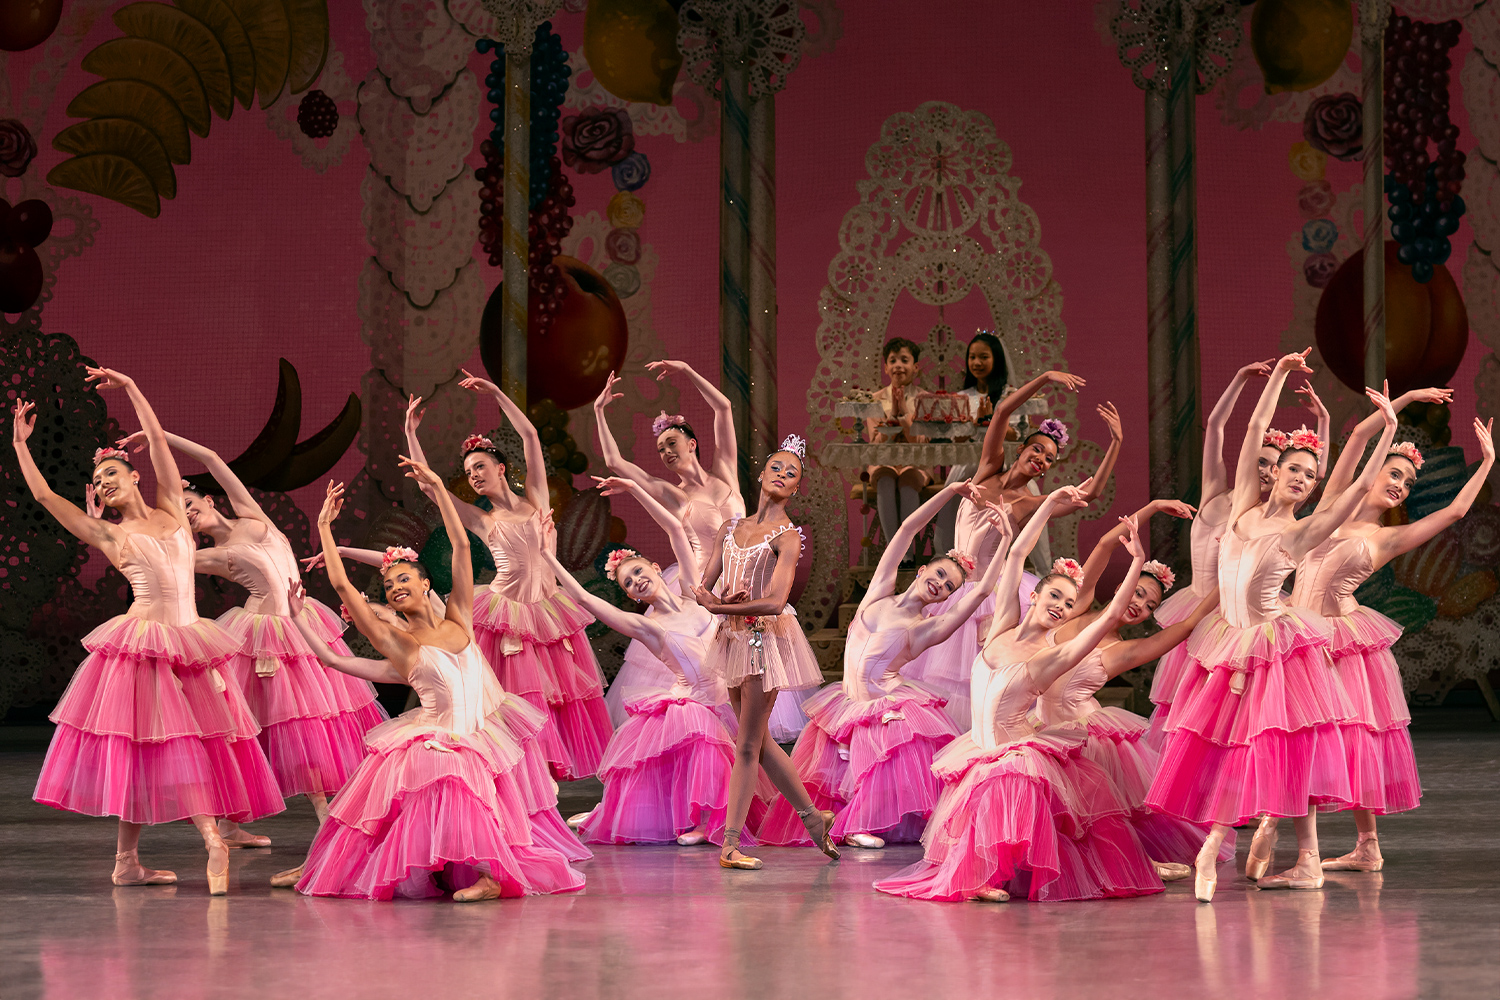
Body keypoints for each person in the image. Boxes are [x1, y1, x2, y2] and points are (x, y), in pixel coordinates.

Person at [13, 373, 282, 894]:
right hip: (146, 646)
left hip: (191, 641)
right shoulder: (111, 533)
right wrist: (23, 447)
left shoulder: (174, 512)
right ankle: (210, 839)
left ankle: (127, 862)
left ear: (136, 477)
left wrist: (133, 387)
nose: (106, 482)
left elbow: (158, 443)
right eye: (100, 479)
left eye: (114, 472)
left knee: (188, 745)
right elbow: (46, 497)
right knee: (152, 747)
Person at [1145, 351, 1398, 902]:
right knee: (1220, 748)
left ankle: (1264, 848)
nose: (1302, 480)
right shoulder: (1240, 508)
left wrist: (1388, 432)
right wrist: (1279, 375)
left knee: (1279, 749)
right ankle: (1227, 842)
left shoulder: (1299, 534)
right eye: (1294, 470)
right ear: (1275, 470)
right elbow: (1253, 428)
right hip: (1230, 643)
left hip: (1275, 650)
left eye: (1310, 476)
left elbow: (1353, 491)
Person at [292, 471, 587, 901]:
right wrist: (324, 528)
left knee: (480, 798)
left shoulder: (459, 617)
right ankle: (473, 874)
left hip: (480, 735)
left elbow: (464, 546)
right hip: (436, 737)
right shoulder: (400, 644)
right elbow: (342, 588)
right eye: (389, 586)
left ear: (426, 583)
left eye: (403, 580)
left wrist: (439, 490)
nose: (394, 588)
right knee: (451, 778)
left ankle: (477, 873)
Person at [873, 493, 1162, 902]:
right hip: (980, 745)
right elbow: (1016, 555)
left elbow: (1112, 615)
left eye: (1067, 602)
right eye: (1054, 596)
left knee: (1005, 780)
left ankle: (994, 874)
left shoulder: (1049, 658)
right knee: (983, 784)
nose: (1061, 606)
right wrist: (1044, 507)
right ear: (1036, 596)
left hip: (1014, 751)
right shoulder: (1002, 625)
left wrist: (1134, 563)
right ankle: (985, 870)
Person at [117, 427, 386, 864]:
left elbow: (210, 456)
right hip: (262, 636)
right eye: (181, 512)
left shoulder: (250, 515)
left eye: (192, 504)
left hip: (300, 623)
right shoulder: (204, 555)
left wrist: (157, 435)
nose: (189, 513)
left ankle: (246, 823)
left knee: (313, 721)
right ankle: (267, 823)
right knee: (263, 727)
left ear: (207, 501)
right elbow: (161, 569)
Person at [1252, 394, 1483, 875]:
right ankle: (1293, 826)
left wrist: (1490, 462)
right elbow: (1358, 438)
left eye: (1408, 481)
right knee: (1295, 731)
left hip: (1340, 639)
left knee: (1346, 737)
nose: (1400, 484)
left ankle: (1361, 844)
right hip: (1296, 629)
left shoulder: (1387, 538)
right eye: (1394, 474)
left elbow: (1457, 512)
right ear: (1374, 472)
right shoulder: (1334, 502)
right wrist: (1401, 406)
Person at [756, 481, 1010, 849]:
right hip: (847, 701)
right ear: (922, 570)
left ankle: (865, 824)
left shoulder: (926, 630)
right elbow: (907, 529)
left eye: (949, 587)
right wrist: (950, 491)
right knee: (833, 770)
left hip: (885, 702)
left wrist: (1005, 539)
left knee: (883, 748)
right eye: (938, 575)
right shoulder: (879, 591)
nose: (940, 585)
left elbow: (985, 590)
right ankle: (848, 822)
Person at [403, 378, 613, 781]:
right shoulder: (484, 519)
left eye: (480, 466)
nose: (474, 475)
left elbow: (531, 435)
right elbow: (432, 490)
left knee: (556, 701)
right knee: (512, 702)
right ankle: (518, 786)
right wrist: (412, 435)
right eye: (468, 472)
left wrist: (498, 395)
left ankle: (544, 789)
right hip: (506, 617)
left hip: (548, 614)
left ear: (501, 467)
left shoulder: (537, 501)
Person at [541, 476, 751, 846]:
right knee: (701, 734)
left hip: (725, 697)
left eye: (638, 572)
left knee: (741, 745)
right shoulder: (647, 626)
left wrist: (636, 489)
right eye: (627, 583)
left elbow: (674, 527)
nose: (636, 581)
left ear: (655, 568)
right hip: (694, 703)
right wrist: (545, 556)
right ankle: (704, 821)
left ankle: (721, 816)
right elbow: (588, 601)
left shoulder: (694, 590)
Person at [691, 434, 840, 869]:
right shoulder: (730, 529)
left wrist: (720, 605)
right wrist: (712, 599)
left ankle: (730, 846)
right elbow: (703, 586)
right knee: (758, 739)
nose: (781, 474)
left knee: (745, 746)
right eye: (776, 467)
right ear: (761, 474)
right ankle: (814, 818)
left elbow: (775, 602)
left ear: (795, 489)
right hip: (733, 637)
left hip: (763, 638)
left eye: (791, 473)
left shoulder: (788, 536)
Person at [1039, 541, 1227, 875]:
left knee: (1094, 810)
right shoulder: (1076, 610)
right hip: (1034, 721)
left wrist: (1227, 575)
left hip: (1078, 732)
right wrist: (1151, 509)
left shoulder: (1123, 651)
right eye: (1137, 593)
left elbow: (1185, 627)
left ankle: (1137, 861)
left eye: (1149, 604)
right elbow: (1100, 551)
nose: (1139, 604)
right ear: (1122, 586)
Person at [934, 331, 1012, 553]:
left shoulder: (1009, 395)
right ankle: (949, 554)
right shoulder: (962, 397)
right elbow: (955, 438)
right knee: (952, 500)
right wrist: (973, 425)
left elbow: (1019, 435)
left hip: (1004, 465)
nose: (977, 362)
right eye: (972, 357)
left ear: (996, 359)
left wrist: (992, 423)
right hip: (969, 462)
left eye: (984, 357)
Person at [864, 337, 932, 563]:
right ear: (885, 367)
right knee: (885, 479)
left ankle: (908, 554)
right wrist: (892, 412)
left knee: (907, 482)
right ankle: (894, 555)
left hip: (916, 462)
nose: (898, 366)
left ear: (915, 366)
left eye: (904, 360)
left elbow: (921, 441)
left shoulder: (925, 400)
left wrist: (903, 415)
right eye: (892, 360)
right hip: (885, 461)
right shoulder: (874, 400)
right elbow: (876, 442)